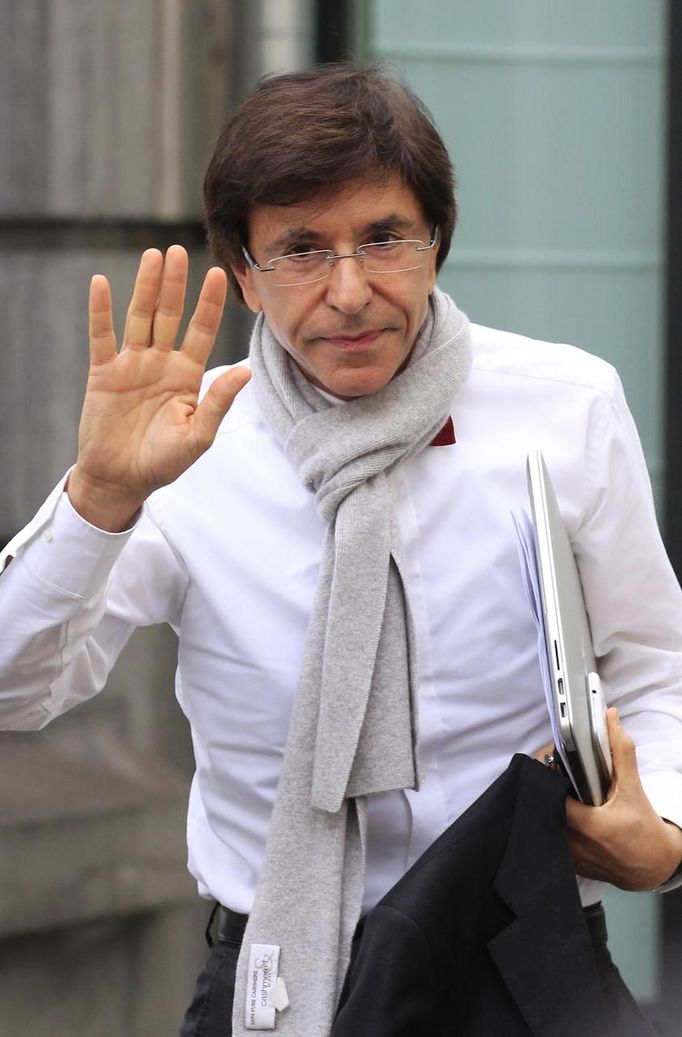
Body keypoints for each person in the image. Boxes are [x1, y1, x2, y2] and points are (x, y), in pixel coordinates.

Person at [1, 64, 681, 1037]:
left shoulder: (564, 402)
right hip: (277, 974)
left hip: (528, 967)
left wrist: (664, 834)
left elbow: (656, 667)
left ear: (436, 242)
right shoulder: (186, 440)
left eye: (382, 238)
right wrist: (100, 497)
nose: (351, 290)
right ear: (243, 272)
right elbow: (15, 690)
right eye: (302, 250)